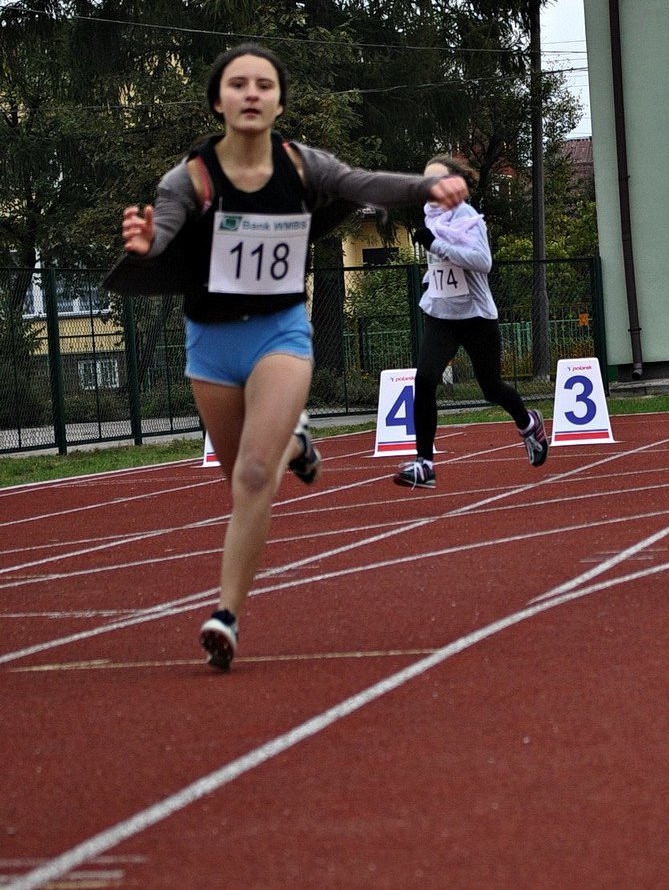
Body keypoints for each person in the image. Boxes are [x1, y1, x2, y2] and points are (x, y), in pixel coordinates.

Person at [107, 43, 467, 671]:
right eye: (238, 84)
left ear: (278, 100)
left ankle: (226, 615)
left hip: (279, 333)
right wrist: (143, 246)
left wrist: (428, 186)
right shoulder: (187, 179)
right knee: (242, 483)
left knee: (252, 476)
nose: (251, 94)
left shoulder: (303, 165)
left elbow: (361, 183)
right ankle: (298, 446)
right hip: (210, 345)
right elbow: (162, 235)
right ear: (218, 100)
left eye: (264, 85)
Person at [393, 155, 548, 489]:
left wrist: (437, 245)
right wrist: (430, 277)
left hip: (476, 315)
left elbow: (483, 262)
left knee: (491, 387)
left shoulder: (467, 218)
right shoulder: (429, 215)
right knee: (424, 379)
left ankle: (527, 421)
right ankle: (425, 464)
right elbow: (441, 264)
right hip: (442, 315)